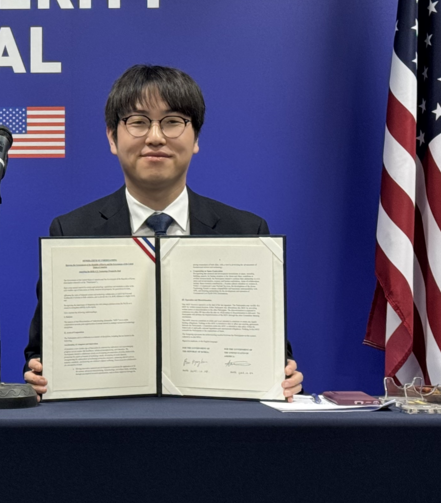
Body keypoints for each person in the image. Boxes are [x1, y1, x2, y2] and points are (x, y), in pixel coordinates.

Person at [24, 64, 304, 400]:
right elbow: (42, 352)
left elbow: (271, 352)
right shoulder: (72, 232)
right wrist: (40, 372)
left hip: (215, 421)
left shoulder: (246, 232)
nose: (155, 137)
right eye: (138, 122)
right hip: (107, 419)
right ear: (112, 137)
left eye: (172, 122)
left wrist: (283, 374)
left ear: (196, 137)